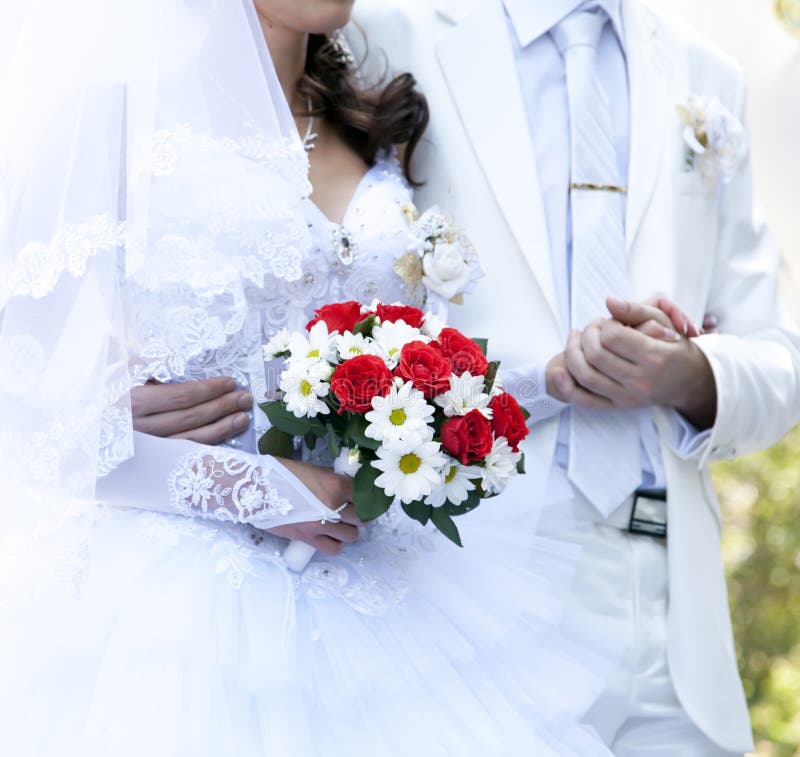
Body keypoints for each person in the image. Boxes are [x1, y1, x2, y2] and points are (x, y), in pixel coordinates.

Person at [0, 1, 617, 755]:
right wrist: (245, 485)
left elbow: (408, 381)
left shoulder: (370, 124)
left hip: (378, 594)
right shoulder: (116, 118)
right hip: (182, 617)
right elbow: (28, 418)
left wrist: (558, 375)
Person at [347, 0, 800, 755]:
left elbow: (781, 360)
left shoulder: (704, 72)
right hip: (466, 594)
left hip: (673, 614)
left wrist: (690, 373)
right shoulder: (393, 36)